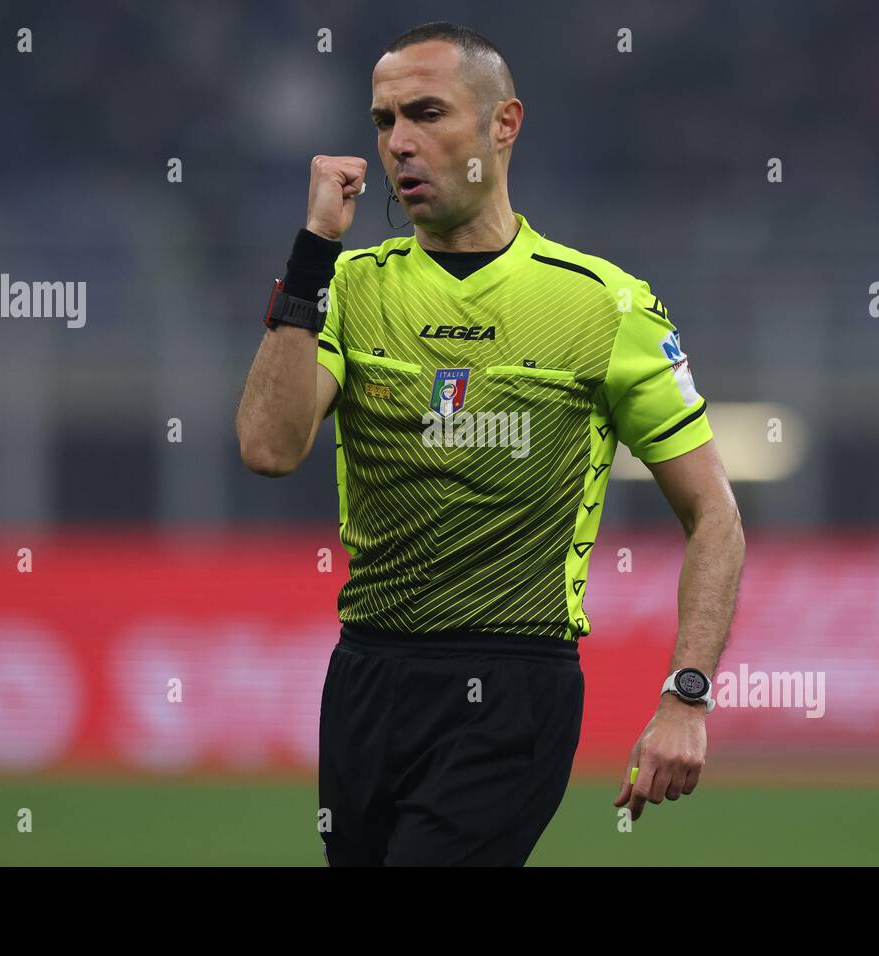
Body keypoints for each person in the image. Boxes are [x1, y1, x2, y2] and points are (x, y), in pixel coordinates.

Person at [235, 21, 745, 866]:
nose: (400, 143)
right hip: (365, 678)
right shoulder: (351, 287)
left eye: (427, 113)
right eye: (384, 119)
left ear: (503, 125)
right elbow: (268, 446)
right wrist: (314, 252)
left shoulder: (602, 305)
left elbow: (715, 516)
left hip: (514, 682)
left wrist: (685, 697)